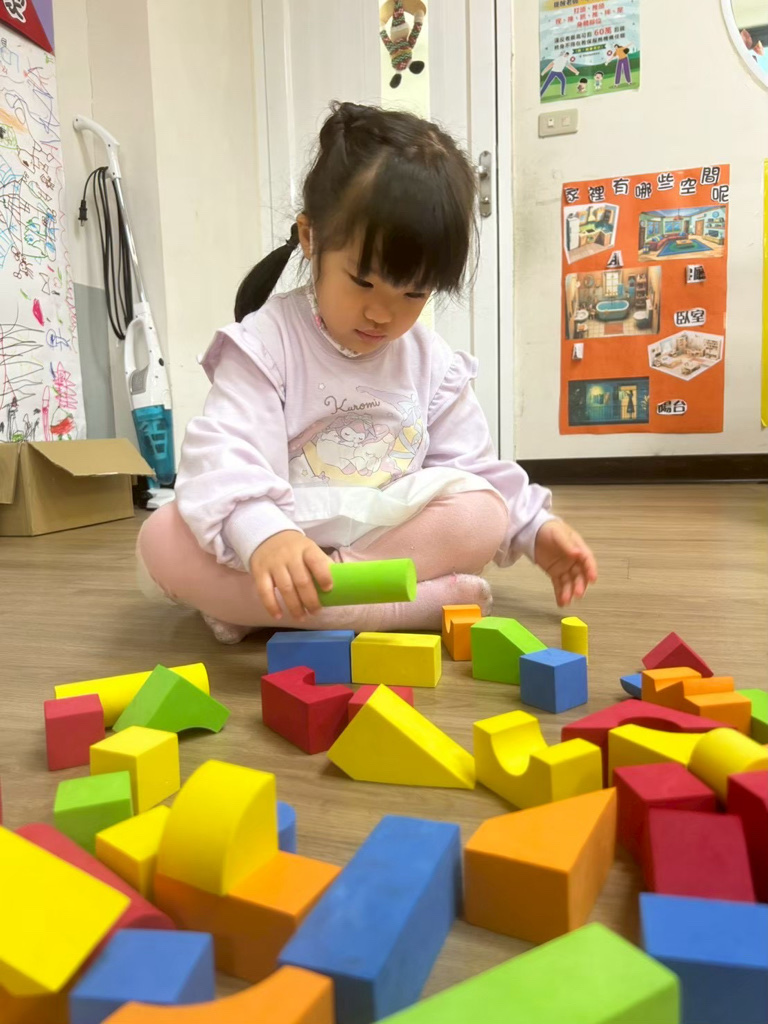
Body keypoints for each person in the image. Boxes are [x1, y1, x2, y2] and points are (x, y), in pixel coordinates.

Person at [137, 102, 597, 643]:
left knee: (483, 513)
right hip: (287, 530)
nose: (383, 314)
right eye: (363, 282)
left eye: (414, 294)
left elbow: (472, 467)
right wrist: (266, 535)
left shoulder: (432, 363)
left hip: (384, 534)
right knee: (161, 537)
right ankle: (400, 606)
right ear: (310, 238)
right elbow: (226, 454)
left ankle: (290, 607)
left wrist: (534, 528)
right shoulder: (265, 344)